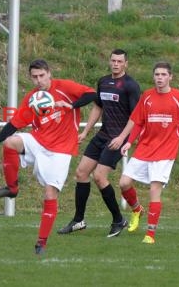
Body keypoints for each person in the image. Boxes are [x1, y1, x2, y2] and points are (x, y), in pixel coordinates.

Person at [0, 59, 95, 254]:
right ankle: (12, 188)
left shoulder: (64, 87)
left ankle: (41, 242)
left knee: (50, 195)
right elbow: (15, 124)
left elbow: (92, 94)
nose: (39, 80)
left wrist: (70, 105)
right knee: (10, 142)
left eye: (42, 75)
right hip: (39, 142)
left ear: (49, 73)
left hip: (61, 151)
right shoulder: (33, 97)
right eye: (34, 77)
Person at [112, 62, 179, 244]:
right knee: (124, 183)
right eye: (157, 74)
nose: (159, 78)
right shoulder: (147, 96)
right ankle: (137, 209)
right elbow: (138, 121)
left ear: (170, 77)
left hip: (166, 152)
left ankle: (150, 234)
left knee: (154, 190)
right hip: (145, 148)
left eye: (163, 74)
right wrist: (129, 142)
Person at [57, 49, 141, 237]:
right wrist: (86, 131)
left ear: (126, 63)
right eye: (113, 60)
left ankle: (118, 220)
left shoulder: (131, 85)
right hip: (103, 135)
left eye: (120, 61)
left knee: (99, 176)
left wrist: (121, 138)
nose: (116, 64)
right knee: (81, 173)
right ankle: (79, 220)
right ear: (109, 62)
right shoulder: (103, 81)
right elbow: (98, 107)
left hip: (119, 138)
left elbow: (136, 117)